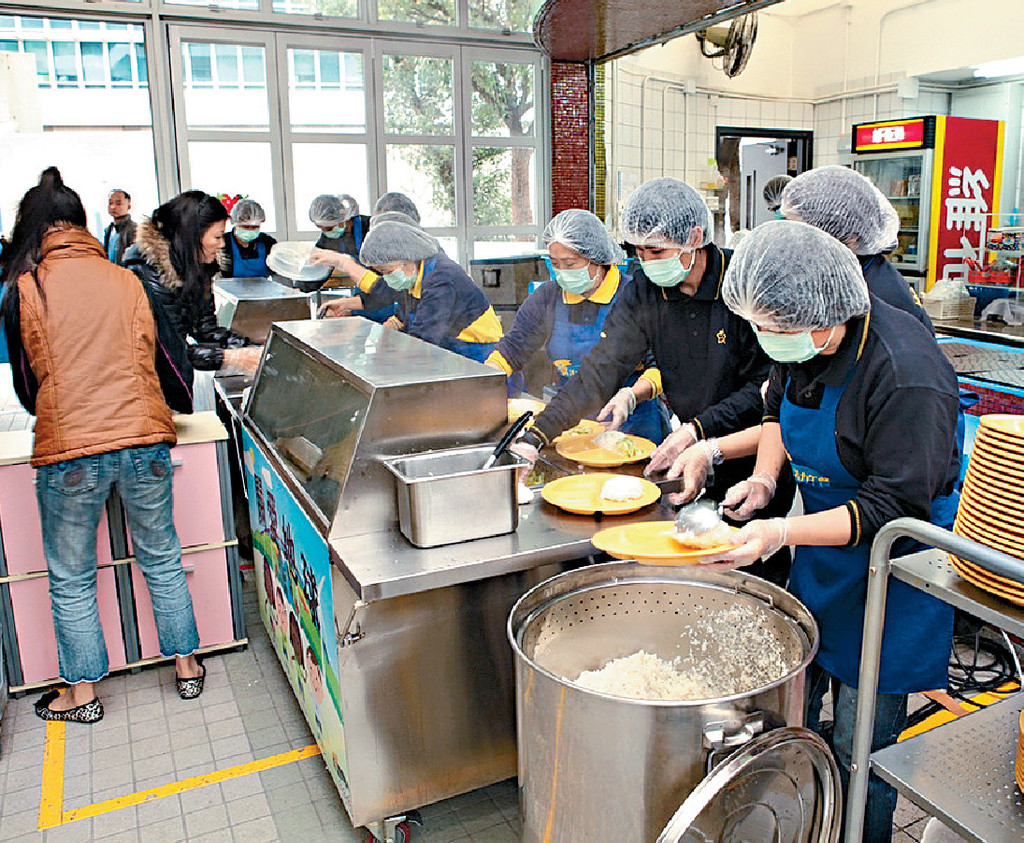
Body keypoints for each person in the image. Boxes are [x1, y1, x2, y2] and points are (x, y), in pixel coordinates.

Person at [703, 220, 959, 842]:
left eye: (775, 330)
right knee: (797, 716)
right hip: (828, 558)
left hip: (897, 570)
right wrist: (765, 484)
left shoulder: (906, 375)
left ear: (825, 316)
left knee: (858, 743)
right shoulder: (803, 342)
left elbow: (893, 508)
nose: (765, 341)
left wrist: (778, 536)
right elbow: (775, 405)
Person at [510, 177, 794, 585]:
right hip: (690, 447)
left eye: (655, 250)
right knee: (695, 564)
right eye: (637, 251)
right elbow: (600, 370)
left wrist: (701, 432)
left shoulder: (742, 283)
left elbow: (769, 388)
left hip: (756, 451)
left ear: (694, 237)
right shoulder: (646, 290)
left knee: (749, 567)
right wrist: (536, 435)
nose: (644, 260)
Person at [1, 168, 205, 723]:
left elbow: (25, 383)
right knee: (162, 554)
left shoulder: (26, 286)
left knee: (71, 575)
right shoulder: (125, 278)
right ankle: (188, 668)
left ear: (33, 228)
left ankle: (82, 697)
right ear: (82, 222)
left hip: (71, 451)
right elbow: (166, 361)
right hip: (144, 443)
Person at [485, 208, 665, 442]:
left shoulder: (632, 296)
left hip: (633, 421)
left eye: (570, 264)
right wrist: (486, 380)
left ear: (597, 258)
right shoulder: (547, 298)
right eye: (555, 263)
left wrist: (630, 396)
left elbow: (660, 364)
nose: (561, 273)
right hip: (568, 419)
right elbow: (513, 349)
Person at [320, 213, 503, 362]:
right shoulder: (413, 275)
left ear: (405, 259)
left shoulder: (441, 280)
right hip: (456, 355)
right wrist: (390, 324)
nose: (386, 277)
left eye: (386, 271)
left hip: (482, 358)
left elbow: (423, 342)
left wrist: (384, 360)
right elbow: (387, 295)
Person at [124, 191, 262, 374]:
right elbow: (172, 351)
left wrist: (252, 347)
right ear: (192, 235)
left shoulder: (198, 265)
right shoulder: (147, 274)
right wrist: (229, 357)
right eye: (217, 237)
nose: (222, 244)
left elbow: (206, 329)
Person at [780, 165, 932, 331]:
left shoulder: (873, 297)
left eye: (805, 235)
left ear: (849, 238)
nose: (794, 242)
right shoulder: (845, 274)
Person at [219, 198, 276, 278]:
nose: (250, 230)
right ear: (235, 223)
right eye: (245, 227)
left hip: (262, 289)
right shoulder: (223, 243)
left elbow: (278, 271)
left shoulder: (267, 242)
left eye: (255, 227)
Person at [308, 193, 370, 258]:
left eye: (328, 228)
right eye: (320, 228)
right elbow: (319, 256)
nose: (326, 233)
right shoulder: (327, 239)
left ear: (341, 220)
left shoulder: (370, 226)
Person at [103, 188, 137, 266]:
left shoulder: (134, 229)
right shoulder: (108, 230)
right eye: (110, 203)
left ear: (129, 206)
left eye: (118, 203)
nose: (113, 207)